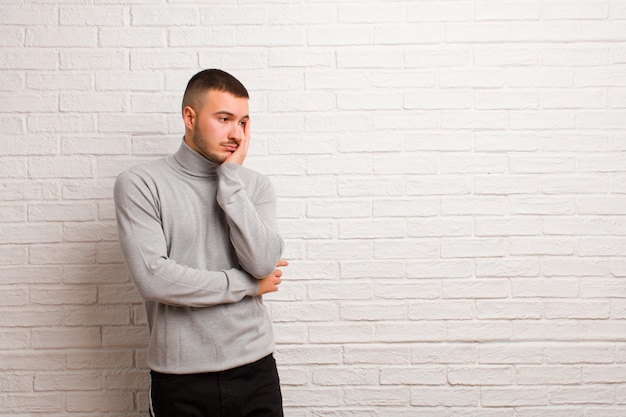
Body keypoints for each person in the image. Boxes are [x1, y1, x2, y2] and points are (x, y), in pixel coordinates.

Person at [113, 69, 287, 417]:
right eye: (224, 119)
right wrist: (248, 286)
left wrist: (230, 182)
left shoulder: (255, 186)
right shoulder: (140, 184)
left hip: (256, 369)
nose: (235, 134)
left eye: (243, 122)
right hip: (180, 377)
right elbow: (154, 278)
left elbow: (263, 263)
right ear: (189, 118)